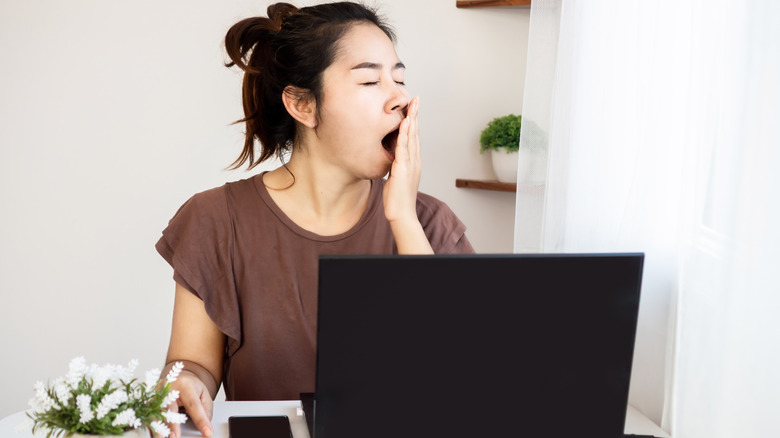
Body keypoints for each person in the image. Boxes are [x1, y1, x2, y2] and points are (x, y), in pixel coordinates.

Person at [155, 2, 475, 437]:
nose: (400, 96)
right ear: (303, 106)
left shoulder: (428, 221)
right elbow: (193, 364)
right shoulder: (216, 219)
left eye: (398, 78)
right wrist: (185, 382)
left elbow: (459, 378)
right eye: (369, 80)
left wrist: (401, 216)